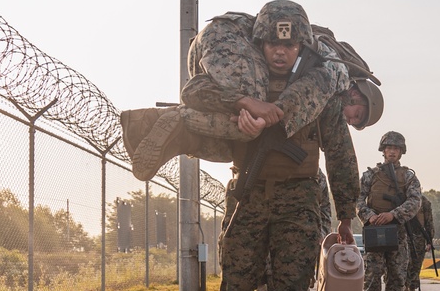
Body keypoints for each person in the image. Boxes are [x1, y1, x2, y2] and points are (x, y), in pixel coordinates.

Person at [190, 0, 361, 291]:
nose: (280, 52)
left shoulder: (319, 89)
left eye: (289, 45)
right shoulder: (242, 80)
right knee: (235, 286)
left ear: (301, 45)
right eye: (270, 43)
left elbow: (340, 152)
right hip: (246, 194)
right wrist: (241, 105)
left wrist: (346, 213)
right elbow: (193, 90)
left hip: (298, 199)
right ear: (259, 43)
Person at [120, 12, 383, 180]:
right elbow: (306, 94)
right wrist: (266, 114)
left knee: (229, 145)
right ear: (356, 94)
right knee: (249, 125)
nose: (349, 119)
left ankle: (178, 132)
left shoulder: (319, 57)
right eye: (356, 115)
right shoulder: (335, 71)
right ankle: (171, 120)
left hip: (211, 43)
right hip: (222, 38)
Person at [357, 131, 422, 291]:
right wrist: (369, 216)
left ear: (401, 152)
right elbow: (357, 199)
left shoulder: (409, 176)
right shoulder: (370, 175)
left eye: (396, 149)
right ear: (383, 150)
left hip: (398, 231)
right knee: (372, 274)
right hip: (375, 230)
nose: (392, 151)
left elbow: (415, 201)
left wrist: (393, 215)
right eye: (389, 148)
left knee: (397, 275)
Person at [403, 194, 434, 291]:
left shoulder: (424, 201)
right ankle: (405, 290)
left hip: (419, 237)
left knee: (416, 266)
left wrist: (429, 240)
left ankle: (412, 290)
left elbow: (429, 221)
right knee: (405, 264)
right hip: (404, 235)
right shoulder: (402, 197)